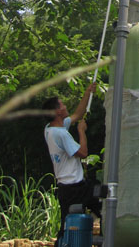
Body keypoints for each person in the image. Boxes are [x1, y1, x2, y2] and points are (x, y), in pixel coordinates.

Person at [42, 83, 102, 247]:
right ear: (57, 112)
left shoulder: (49, 129)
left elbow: (78, 114)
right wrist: (81, 131)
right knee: (102, 205)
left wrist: (88, 93)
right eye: (62, 105)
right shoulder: (61, 134)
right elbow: (83, 153)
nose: (65, 106)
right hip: (74, 188)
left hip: (67, 188)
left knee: (67, 225)